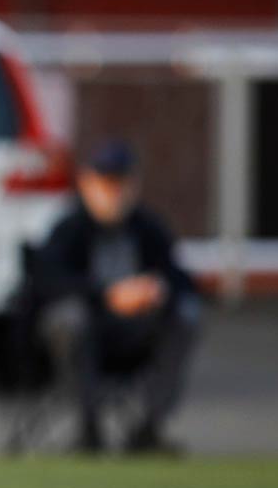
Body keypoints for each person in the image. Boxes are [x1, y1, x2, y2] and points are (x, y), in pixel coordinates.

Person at [32, 139, 200, 455]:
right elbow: (46, 281)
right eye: (106, 183)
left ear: (134, 185)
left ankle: (148, 427)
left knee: (186, 315)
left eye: (121, 183)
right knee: (69, 319)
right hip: (82, 337)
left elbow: (181, 277)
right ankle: (89, 428)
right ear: (87, 183)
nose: (114, 192)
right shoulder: (68, 229)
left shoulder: (149, 228)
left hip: (135, 336)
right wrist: (107, 295)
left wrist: (156, 289)